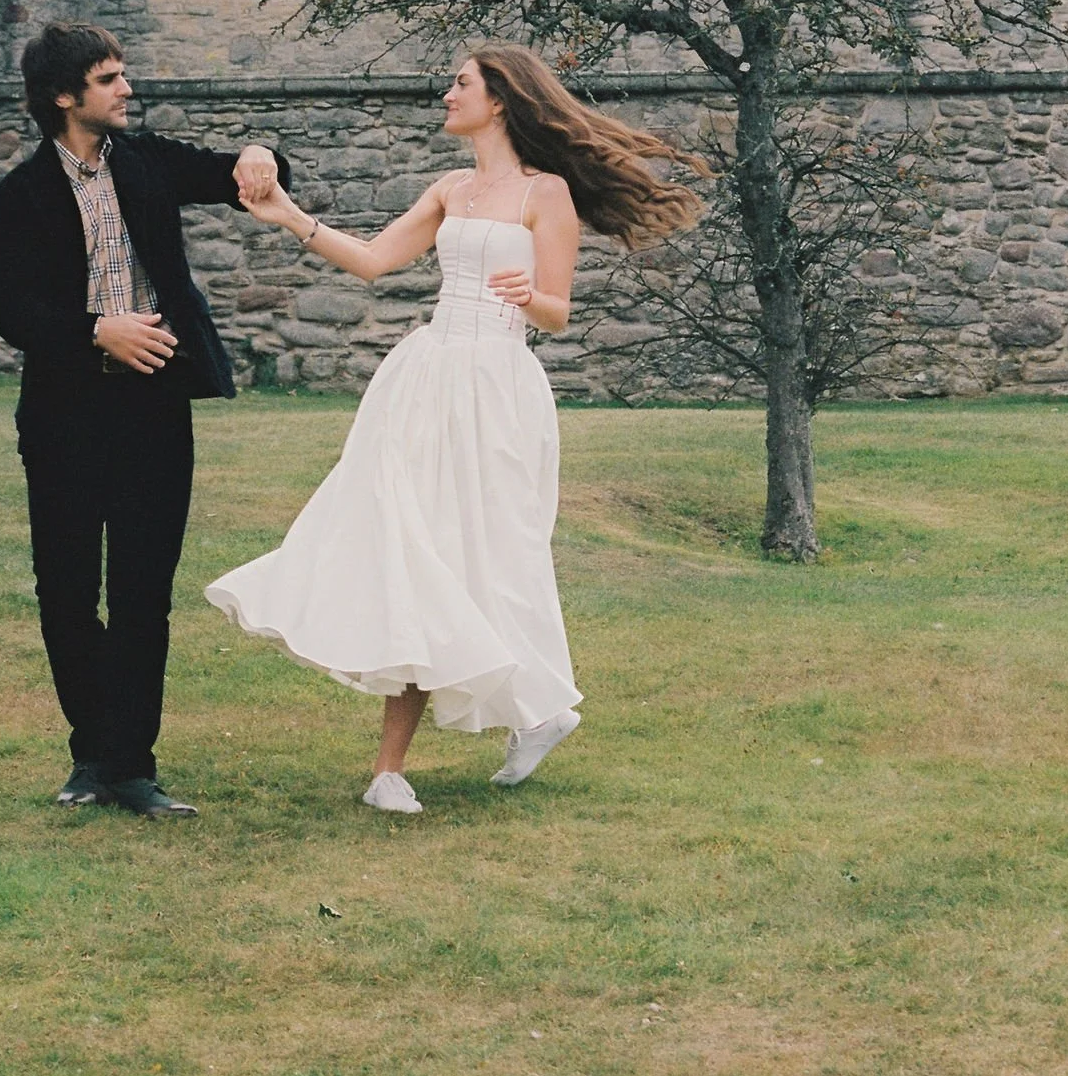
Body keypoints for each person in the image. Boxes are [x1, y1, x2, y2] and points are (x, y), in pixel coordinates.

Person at [206, 44, 699, 812]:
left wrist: (527, 293)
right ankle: (388, 772)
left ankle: (541, 710)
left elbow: (558, 314)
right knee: (411, 549)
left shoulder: (548, 194)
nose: (446, 93)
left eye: (459, 83)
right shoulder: (450, 187)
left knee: (497, 557)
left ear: (499, 99)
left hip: (498, 386)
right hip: (426, 378)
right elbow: (374, 262)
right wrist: (288, 216)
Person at [0, 22, 286, 818]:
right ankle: (92, 754)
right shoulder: (17, 197)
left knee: (144, 591)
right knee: (68, 590)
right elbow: (12, 310)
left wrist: (262, 155)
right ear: (64, 96)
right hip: (64, 412)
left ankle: (132, 766)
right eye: (110, 79)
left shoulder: (147, 163)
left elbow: (239, 176)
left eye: (122, 76)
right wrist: (95, 329)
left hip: (154, 406)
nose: (126, 89)